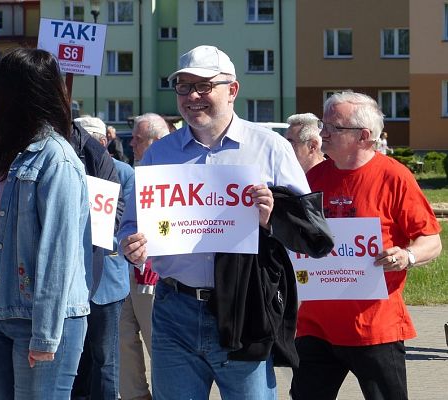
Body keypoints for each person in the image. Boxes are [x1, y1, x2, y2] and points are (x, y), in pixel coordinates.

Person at [118, 45, 310, 399]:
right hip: (174, 308)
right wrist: (131, 244)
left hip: (244, 308)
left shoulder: (269, 148)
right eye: (183, 87)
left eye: (204, 86)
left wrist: (273, 217)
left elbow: (309, 232)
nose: (192, 96)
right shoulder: (160, 153)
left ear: (232, 90)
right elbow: (131, 224)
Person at [0, 48, 92, 399]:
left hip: (38, 322)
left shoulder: (57, 159)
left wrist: (45, 336)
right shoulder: (2, 150)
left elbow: (58, 254)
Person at [291, 91, 442, 400]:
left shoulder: (394, 177)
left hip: (375, 326)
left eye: (334, 126)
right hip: (315, 325)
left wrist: (407, 255)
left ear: (363, 136)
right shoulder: (312, 178)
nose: (323, 133)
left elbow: (432, 241)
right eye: (324, 124)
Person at [70, 115, 128, 400]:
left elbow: (126, 223)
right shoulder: (67, 168)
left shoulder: (124, 173)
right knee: (77, 361)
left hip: (107, 281)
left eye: (93, 139)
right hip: (75, 281)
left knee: (105, 359)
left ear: (104, 141)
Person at [119, 113, 169, 400]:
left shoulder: (175, 173)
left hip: (156, 276)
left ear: (158, 141)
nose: (132, 144)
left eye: (139, 139)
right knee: (122, 338)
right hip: (127, 271)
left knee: (157, 345)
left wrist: (154, 260)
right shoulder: (135, 172)